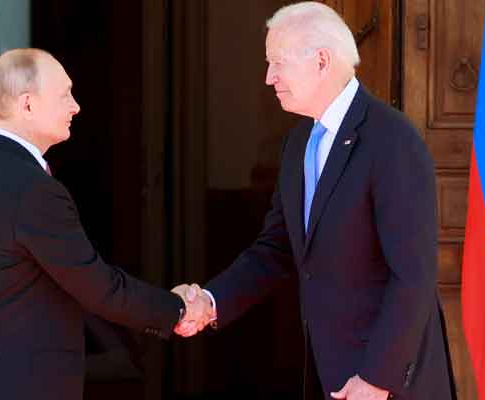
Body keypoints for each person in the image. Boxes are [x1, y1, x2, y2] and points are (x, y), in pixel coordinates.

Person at [175, 2, 456, 399]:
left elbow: (413, 275)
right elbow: (276, 248)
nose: (269, 77)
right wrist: (210, 300)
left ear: (322, 60)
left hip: (386, 385)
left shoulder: (391, 140)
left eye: (278, 62)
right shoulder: (298, 144)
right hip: (330, 374)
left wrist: (377, 379)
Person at [0, 48, 208, 400]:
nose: (75, 106)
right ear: (27, 105)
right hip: (15, 384)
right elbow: (97, 287)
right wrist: (178, 309)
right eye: (64, 95)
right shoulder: (32, 188)